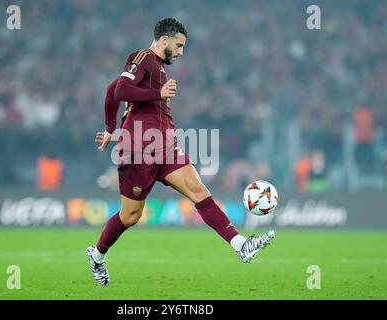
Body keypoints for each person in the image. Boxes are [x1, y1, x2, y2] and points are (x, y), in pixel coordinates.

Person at [86, 18, 275, 286]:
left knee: (199, 191)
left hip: (165, 147)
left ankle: (240, 244)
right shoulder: (142, 58)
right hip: (138, 149)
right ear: (164, 40)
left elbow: (110, 91)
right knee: (131, 215)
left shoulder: (157, 68)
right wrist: (157, 94)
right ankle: (97, 256)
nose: (181, 52)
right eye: (178, 45)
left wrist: (108, 128)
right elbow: (118, 90)